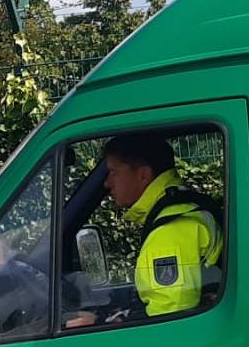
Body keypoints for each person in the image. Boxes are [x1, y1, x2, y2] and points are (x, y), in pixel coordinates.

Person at [69, 133, 222, 327]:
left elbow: (166, 326)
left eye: (114, 172)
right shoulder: (182, 208)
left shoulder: (169, 233)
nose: (107, 183)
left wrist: (101, 324)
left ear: (143, 175)